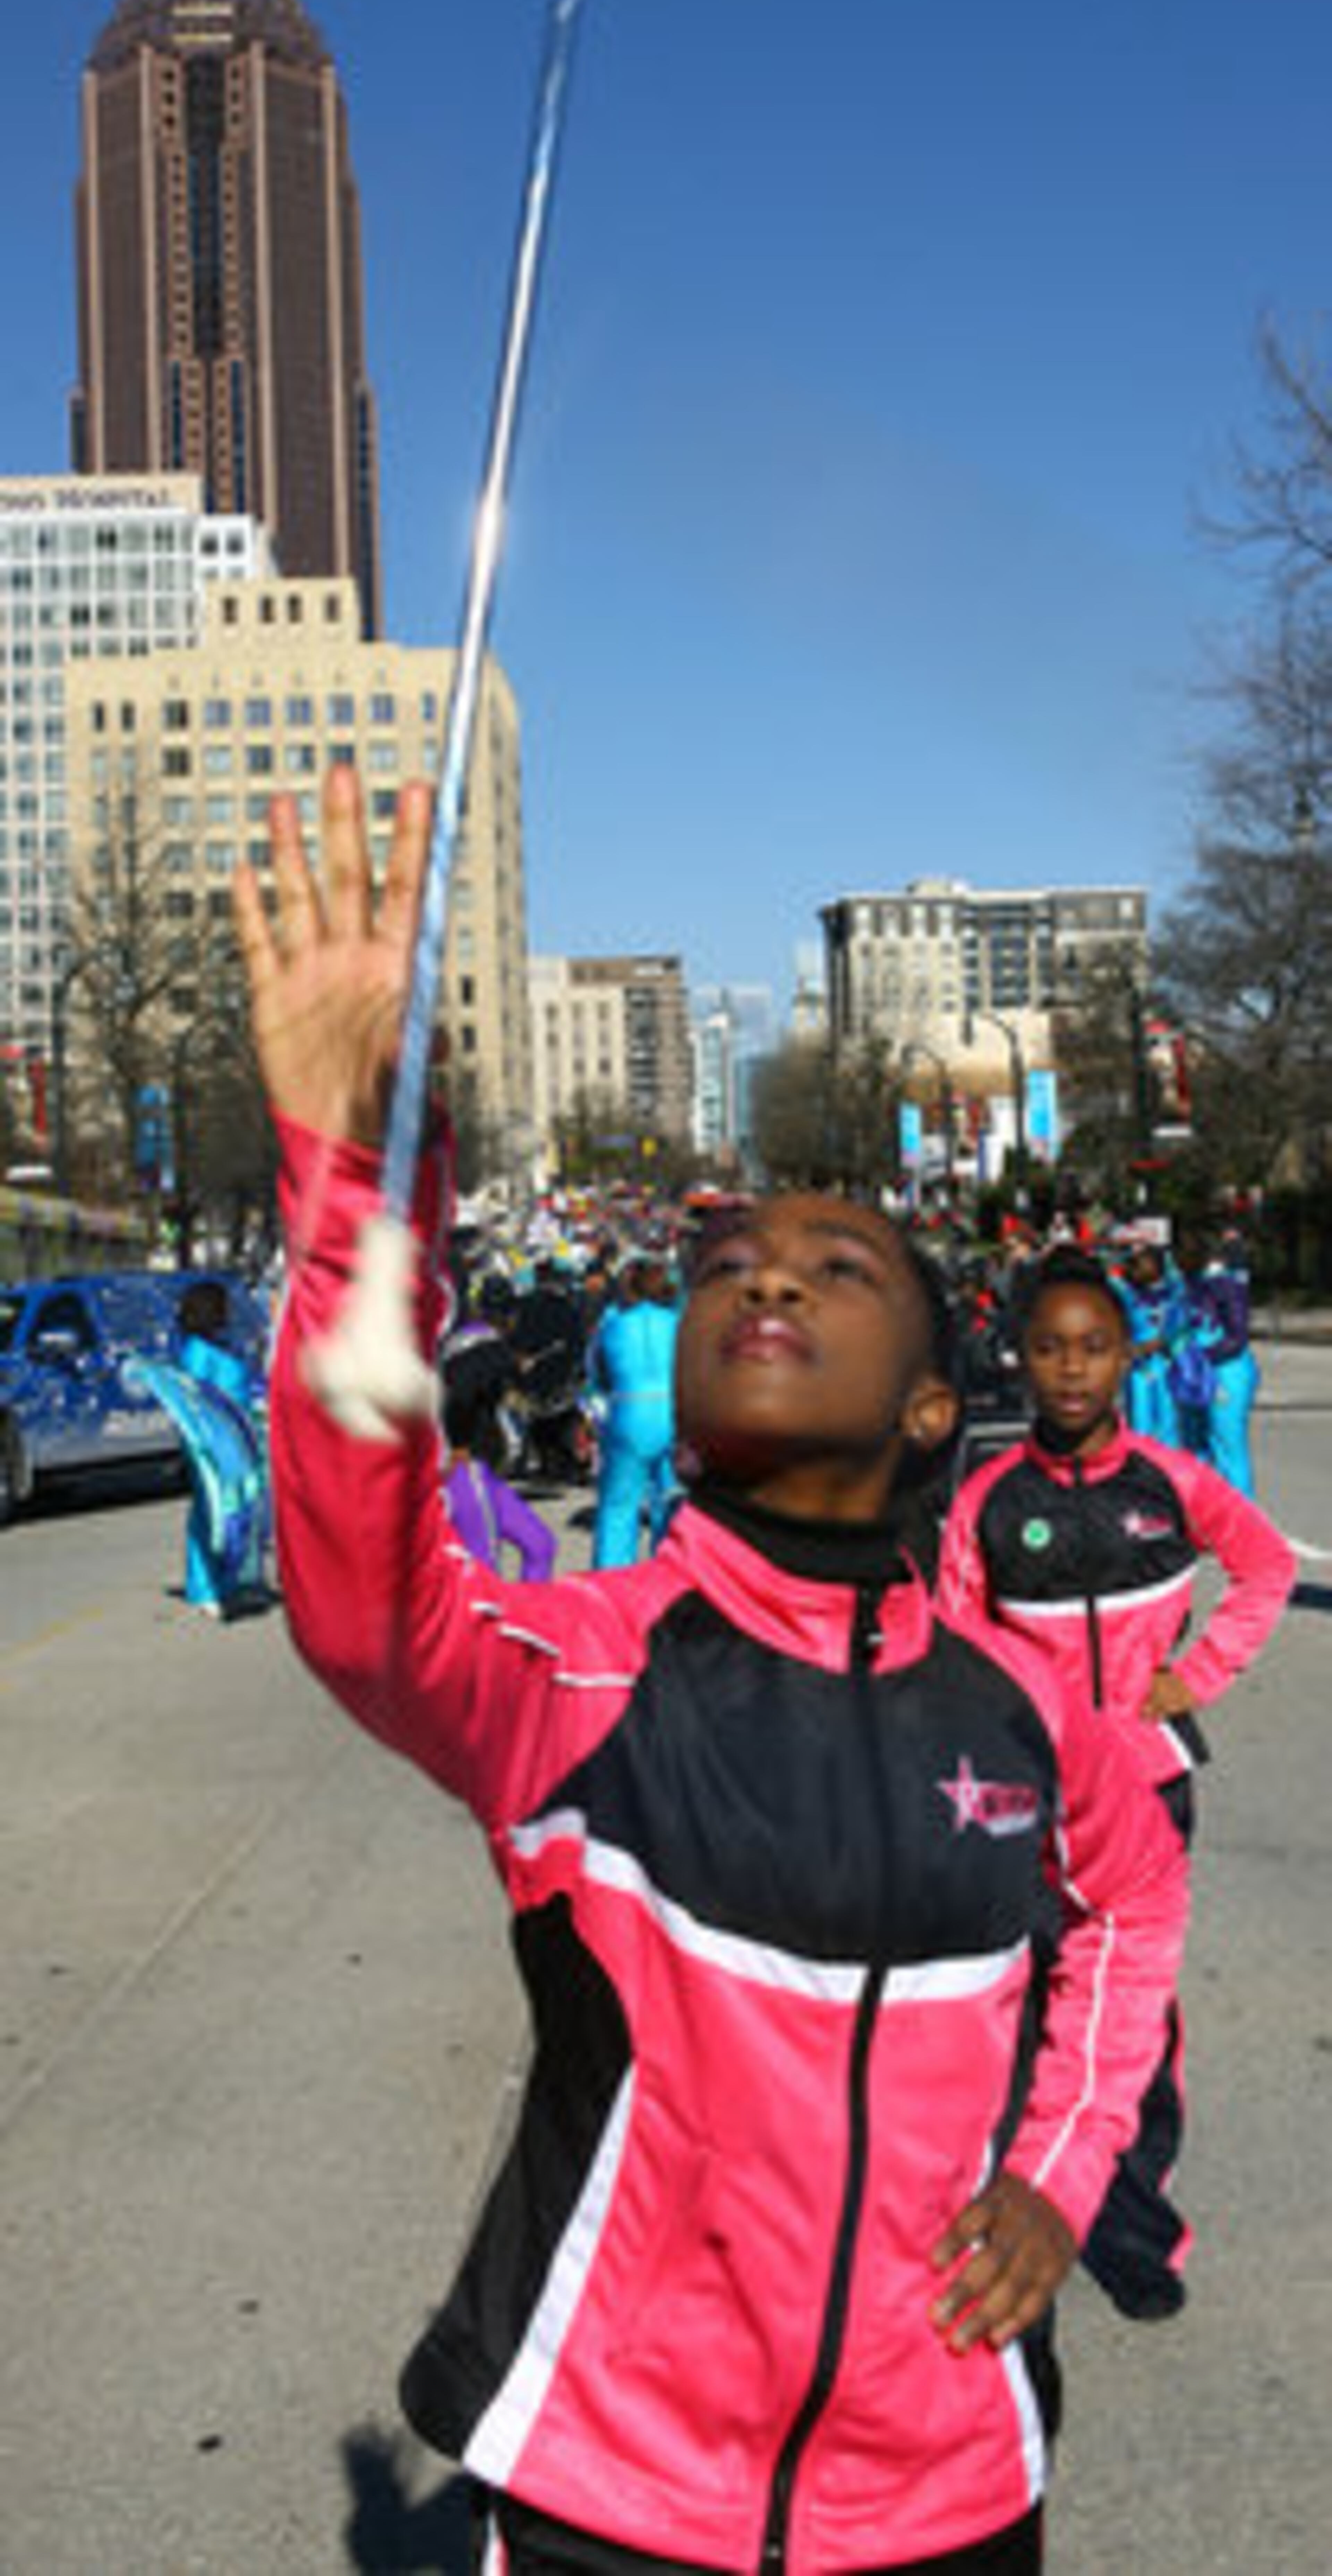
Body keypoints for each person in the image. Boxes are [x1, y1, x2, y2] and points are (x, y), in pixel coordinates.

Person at [234, 769, 1188, 2576]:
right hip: (620, 2495)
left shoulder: (1023, 1718)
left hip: (948, 2495)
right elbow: (367, 1599)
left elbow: (1136, 1902)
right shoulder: (590, 1673)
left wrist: (1065, 2178)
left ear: (930, 1402)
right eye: (731, 1261)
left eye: (837, 1265)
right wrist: (362, 1180)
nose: (764, 1275)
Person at [938, 1245, 1295, 2323]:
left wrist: (1195, 1675)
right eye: (1047, 1348)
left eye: (1093, 1347)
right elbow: (951, 1642)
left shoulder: (1168, 1482)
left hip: (1146, 1795)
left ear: (1126, 1353)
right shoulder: (988, 1501)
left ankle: (1135, 2227)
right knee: (1018, 2004)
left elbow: (1266, 1566)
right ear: (1017, 1357)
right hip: (1025, 1806)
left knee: (1129, 2019)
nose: (1070, 1370)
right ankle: (1014, 2211)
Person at [172, 1278, 266, 1617]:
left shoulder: (221, 1345)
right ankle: (203, 1588)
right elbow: (195, 1401)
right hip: (210, 1442)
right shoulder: (197, 1352)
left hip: (238, 1438)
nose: (229, 1312)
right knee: (209, 1510)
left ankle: (231, 1583)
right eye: (223, 1305)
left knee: (236, 1509)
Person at [587, 1250, 680, 1565]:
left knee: (618, 1508)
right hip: (673, 1413)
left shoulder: (613, 1324)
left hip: (629, 1411)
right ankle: (669, 1580)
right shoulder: (677, 1323)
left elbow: (597, 1377)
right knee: (670, 1503)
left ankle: (610, 1585)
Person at [441, 1332, 557, 1584]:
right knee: (483, 1566)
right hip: (467, 1472)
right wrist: (459, 1443)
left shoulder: (487, 1350)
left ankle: (527, 1615)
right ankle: (482, 1622)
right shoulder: (484, 1346)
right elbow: (462, 1391)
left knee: (540, 1544)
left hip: (484, 1473)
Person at [1176, 1227, 1261, 1497]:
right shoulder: (1187, 1286)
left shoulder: (1226, 1286)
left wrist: (1203, 1358)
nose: (1176, 1262)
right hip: (1195, 1374)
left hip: (1228, 1373)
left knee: (1227, 1446)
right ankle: (1202, 1511)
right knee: (1194, 1445)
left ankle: (1241, 1516)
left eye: (1183, 1255)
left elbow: (1237, 1336)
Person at [1113, 1237, 1186, 1448]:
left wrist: (1163, 1340)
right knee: (1139, 1422)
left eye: (1148, 1263)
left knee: (1168, 1423)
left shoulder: (1174, 1292)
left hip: (1167, 1363)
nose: (1143, 1268)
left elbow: (1180, 1323)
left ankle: (1168, 1470)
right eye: (1138, 1264)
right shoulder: (1127, 1293)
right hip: (1139, 1367)